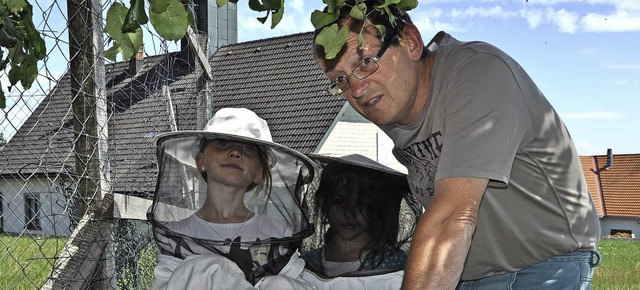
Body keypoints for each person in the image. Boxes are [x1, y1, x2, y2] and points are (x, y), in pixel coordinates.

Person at [311, 1, 601, 289]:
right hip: (465, 273)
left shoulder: (478, 73)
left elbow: (452, 218)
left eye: (365, 62)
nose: (357, 89)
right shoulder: (393, 104)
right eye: (340, 80)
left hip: (543, 266)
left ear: (410, 43)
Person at [148, 108, 317, 289]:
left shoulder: (278, 232)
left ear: (259, 172)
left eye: (248, 148)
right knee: (202, 269)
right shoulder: (178, 234)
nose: (235, 153)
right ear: (201, 160)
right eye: (223, 143)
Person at [300, 154, 421, 289]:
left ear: (377, 207)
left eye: (361, 203)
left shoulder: (392, 262)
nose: (349, 213)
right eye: (339, 201)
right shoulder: (308, 262)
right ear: (323, 202)